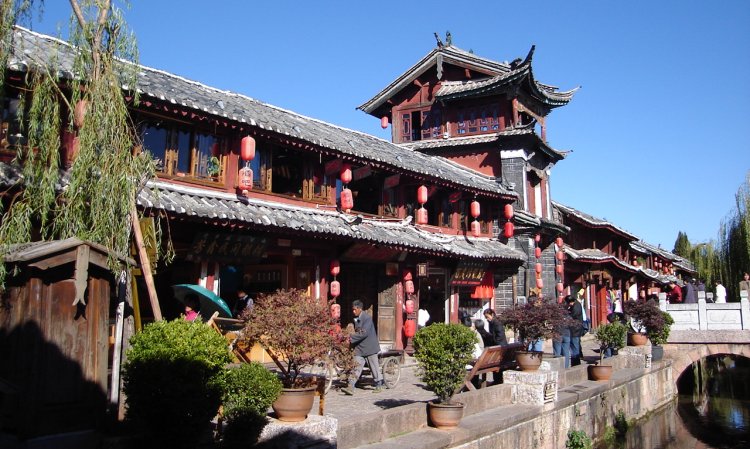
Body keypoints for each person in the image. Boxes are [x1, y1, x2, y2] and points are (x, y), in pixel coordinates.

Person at [342, 300, 383, 395]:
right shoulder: (357, 318)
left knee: (374, 367)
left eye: (354, 309)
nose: (353, 311)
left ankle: (378, 384)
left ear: (360, 309)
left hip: (369, 347)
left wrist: (351, 337)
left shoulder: (367, 318)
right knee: (356, 366)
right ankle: (351, 386)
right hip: (360, 348)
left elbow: (364, 333)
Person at [566, 295, 584, 366]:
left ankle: (576, 361)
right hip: (575, 329)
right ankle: (575, 360)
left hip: (575, 329)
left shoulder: (576, 306)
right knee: (575, 345)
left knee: (574, 345)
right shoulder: (575, 305)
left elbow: (573, 316)